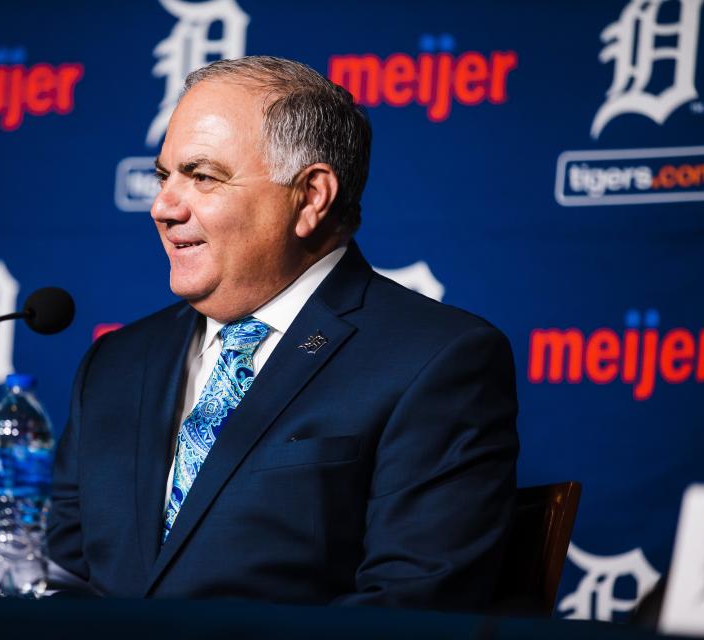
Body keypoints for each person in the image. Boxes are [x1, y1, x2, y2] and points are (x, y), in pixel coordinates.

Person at [47, 55, 519, 610]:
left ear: (310, 196)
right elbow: (61, 578)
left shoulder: (437, 360)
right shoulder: (116, 363)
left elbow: (411, 609)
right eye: (163, 175)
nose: (162, 206)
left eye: (202, 176)